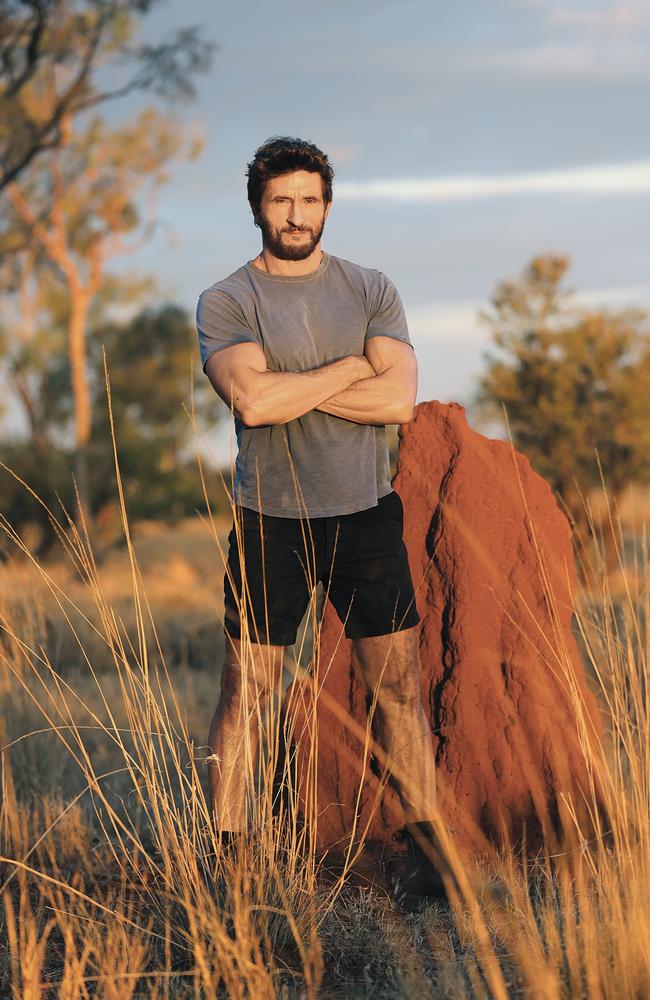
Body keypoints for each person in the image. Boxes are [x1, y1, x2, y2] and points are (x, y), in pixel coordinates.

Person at [195, 136, 449, 900]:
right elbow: (252, 401)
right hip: (269, 519)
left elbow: (398, 400)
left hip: (366, 515)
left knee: (398, 687)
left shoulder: (371, 289)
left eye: (308, 199)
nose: (295, 214)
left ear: (327, 206)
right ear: (257, 210)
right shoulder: (228, 299)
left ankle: (429, 862)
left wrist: (292, 386)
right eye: (280, 201)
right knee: (249, 691)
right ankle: (229, 858)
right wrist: (347, 369)